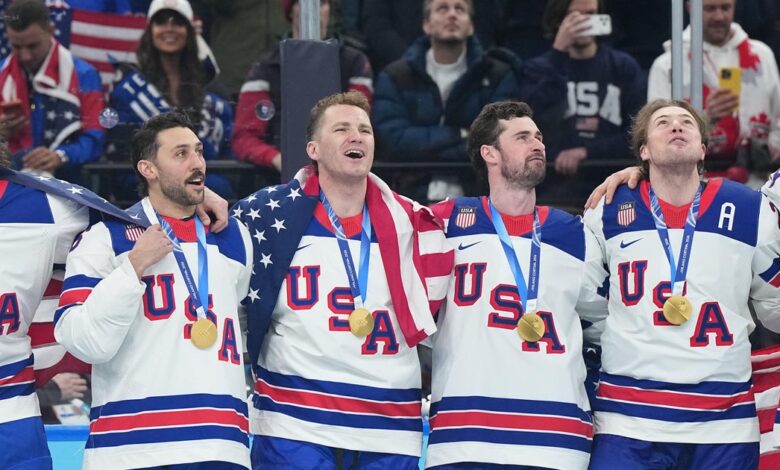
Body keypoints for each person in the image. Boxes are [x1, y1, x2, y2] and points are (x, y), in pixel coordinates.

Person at [231, 91, 453, 469]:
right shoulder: (264, 216)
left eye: (365, 130)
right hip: (294, 422)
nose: (357, 137)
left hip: (388, 422)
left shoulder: (416, 224)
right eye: (342, 129)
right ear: (313, 149)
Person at [583, 98, 780, 468]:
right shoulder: (606, 207)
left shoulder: (750, 210)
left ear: (703, 148)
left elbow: (775, 308)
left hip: (725, 422)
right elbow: (586, 305)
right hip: (629, 418)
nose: (676, 127)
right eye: (662, 123)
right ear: (644, 150)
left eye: (686, 122)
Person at [54, 111, 253, 469]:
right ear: (149, 169)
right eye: (180, 154)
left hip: (220, 445)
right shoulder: (106, 239)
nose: (197, 164)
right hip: (129, 449)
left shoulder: (233, 236)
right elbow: (79, 339)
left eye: (199, 152)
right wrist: (132, 268)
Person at [425, 100, 608, 468]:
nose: (537, 144)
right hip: (464, 437)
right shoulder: (444, 223)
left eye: (538, 136)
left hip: (556, 438)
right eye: (522, 137)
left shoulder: (573, 233)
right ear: (489, 153)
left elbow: (606, 325)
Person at [371, 0, 521, 202]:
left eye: (460, 9)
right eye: (442, 8)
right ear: (426, 24)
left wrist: (424, 148)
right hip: (408, 198)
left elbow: (497, 142)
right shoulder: (396, 76)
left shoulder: (497, 75)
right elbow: (393, 142)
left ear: (471, 25)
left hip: (480, 197)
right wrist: (459, 134)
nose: (452, 15)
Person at [108, 0, 234, 198]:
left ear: (189, 31)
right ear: (150, 30)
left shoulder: (211, 86)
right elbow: (122, 152)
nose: (169, 29)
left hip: (206, 190)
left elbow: (226, 153)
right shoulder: (129, 88)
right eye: (161, 22)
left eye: (177, 22)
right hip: (144, 190)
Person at [647, 0, 780, 186]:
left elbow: (777, 118)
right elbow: (655, 135)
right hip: (693, 187)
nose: (719, 17)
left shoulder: (762, 55)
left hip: (758, 183)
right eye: (709, 9)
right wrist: (705, 120)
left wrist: (771, 149)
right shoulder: (668, 64)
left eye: (725, 8)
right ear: (689, 8)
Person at [232, 0, 373, 171]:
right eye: (301, 2)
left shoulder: (354, 63)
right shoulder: (266, 67)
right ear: (290, 11)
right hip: (278, 181)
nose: (314, 11)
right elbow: (245, 138)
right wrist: (277, 159)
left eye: (321, 3)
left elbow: (360, 128)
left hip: (341, 175)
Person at [522, 0, 646, 180]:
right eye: (575, 16)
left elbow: (638, 134)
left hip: (614, 176)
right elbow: (533, 120)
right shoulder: (537, 68)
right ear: (558, 20)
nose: (585, 21)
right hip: (554, 181)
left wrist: (586, 152)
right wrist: (559, 53)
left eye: (591, 13)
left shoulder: (624, 67)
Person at [0, 0, 104, 182]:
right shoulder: (1, 74)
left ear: (51, 31)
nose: (25, 55)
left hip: (70, 183)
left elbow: (95, 137)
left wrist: (61, 155)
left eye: (32, 46)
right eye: (16, 46)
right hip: (10, 183)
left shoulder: (85, 75)